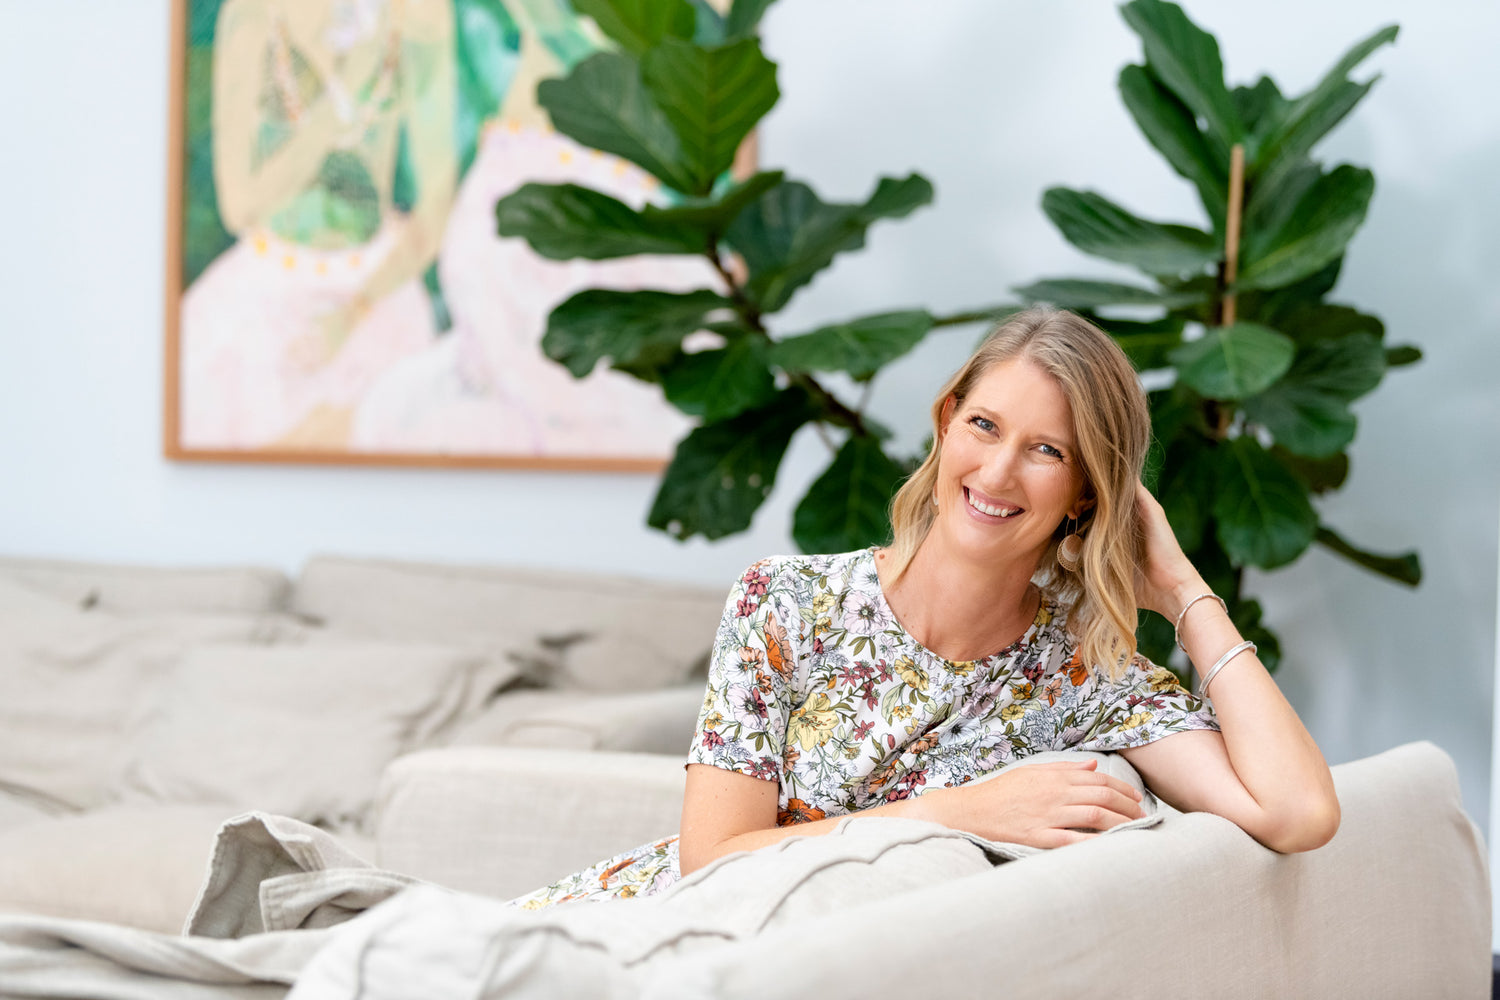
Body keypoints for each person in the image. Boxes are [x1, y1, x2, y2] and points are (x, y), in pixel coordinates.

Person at [509, 307, 1340, 908]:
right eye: (984, 425)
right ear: (946, 424)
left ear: (1087, 490)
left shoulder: (1088, 677)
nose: (999, 471)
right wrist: (957, 814)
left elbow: (1297, 812)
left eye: (1047, 451)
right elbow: (710, 860)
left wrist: (1186, 593)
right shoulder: (786, 602)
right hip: (630, 941)